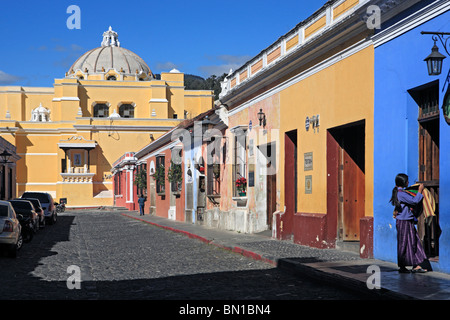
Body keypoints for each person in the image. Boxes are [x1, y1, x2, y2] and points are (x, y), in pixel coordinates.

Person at [389, 173, 431, 273]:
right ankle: (404, 266)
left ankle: (415, 264)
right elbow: (414, 201)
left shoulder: (402, 193)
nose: (408, 182)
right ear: (403, 182)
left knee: (412, 242)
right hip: (404, 222)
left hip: (406, 220)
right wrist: (420, 191)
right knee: (405, 243)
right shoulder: (401, 194)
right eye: (407, 181)